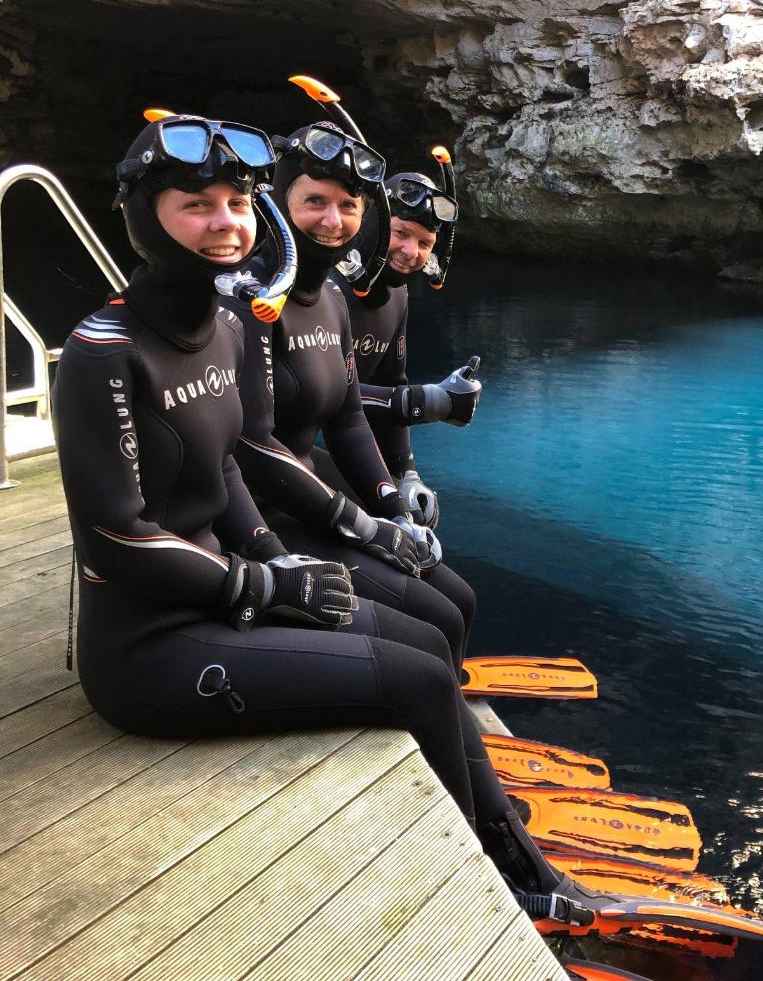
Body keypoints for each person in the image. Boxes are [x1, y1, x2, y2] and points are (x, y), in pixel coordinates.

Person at [51, 112, 642, 930]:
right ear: (144, 216)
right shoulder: (103, 351)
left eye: (233, 201)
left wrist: (275, 551)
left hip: (230, 587)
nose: (222, 222)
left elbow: (226, 462)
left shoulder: (225, 326)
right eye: (195, 204)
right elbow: (115, 537)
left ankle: (513, 855)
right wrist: (261, 580)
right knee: (414, 675)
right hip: (147, 645)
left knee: (432, 641)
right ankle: (510, 884)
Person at [225, 116, 477, 670]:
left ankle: (445, 691)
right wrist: (362, 527)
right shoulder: (250, 299)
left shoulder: (337, 301)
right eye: (314, 200)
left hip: (291, 485)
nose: (411, 251)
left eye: (425, 242)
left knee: (456, 601)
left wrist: (398, 490)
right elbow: (248, 442)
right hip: (246, 515)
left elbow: (349, 413)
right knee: (434, 626)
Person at [335, 164, 482, 529]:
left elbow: (392, 380)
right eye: (400, 232)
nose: (409, 251)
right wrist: (423, 401)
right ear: (374, 222)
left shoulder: (398, 295)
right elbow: (311, 393)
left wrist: (407, 474)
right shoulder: (326, 286)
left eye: (425, 244)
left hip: (339, 446)